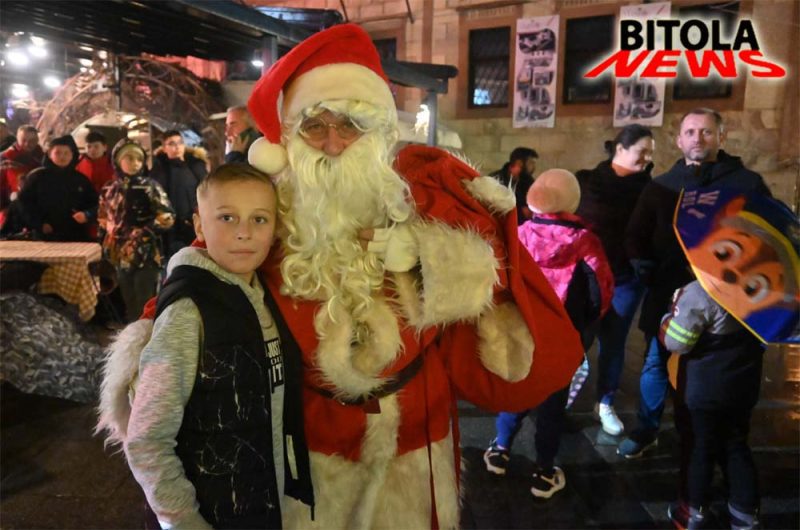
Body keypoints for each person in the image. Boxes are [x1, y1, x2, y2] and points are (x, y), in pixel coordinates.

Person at [99, 24, 582, 529]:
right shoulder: (269, 207)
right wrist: (153, 351)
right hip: (309, 438)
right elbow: (202, 267)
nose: (332, 143)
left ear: (376, 131)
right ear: (291, 138)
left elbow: (495, 275)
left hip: (416, 432)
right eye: (314, 126)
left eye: (350, 124)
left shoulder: (420, 197)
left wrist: (424, 256)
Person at [123, 163, 308, 529]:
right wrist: (183, 521)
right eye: (227, 217)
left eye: (259, 219)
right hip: (208, 515)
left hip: (262, 510)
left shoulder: (266, 298)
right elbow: (147, 438)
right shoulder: (188, 312)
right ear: (198, 225)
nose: (244, 232)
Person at [618, 108, 771, 459]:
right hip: (667, 291)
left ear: (721, 137)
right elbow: (635, 234)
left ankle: (710, 436)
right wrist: (644, 266)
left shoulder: (746, 184)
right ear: (679, 140)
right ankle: (647, 428)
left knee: (720, 369)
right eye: (690, 132)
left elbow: (765, 234)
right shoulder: (661, 186)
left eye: (705, 132)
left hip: (729, 297)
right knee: (655, 363)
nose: (697, 139)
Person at [484, 169, 614, 499]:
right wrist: (585, 325)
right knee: (553, 403)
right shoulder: (585, 241)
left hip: (523, 330)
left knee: (519, 388)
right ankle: (543, 472)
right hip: (562, 337)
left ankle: (500, 451)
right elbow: (601, 290)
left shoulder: (520, 234)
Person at [661, 280, 764, 530]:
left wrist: (668, 316)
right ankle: (745, 515)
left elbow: (677, 342)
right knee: (736, 445)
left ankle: (694, 512)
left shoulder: (700, 292)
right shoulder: (763, 289)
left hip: (704, 391)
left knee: (700, 449)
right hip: (743, 387)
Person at [575, 124, 654, 435]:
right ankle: (559, 398)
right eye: (642, 151)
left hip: (625, 279)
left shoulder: (649, 189)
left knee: (614, 342)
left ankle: (605, 403)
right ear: (620, 149)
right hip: (586, 278)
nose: (647, 158)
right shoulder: (587, 182)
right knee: (577, 340)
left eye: (650, 153)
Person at [98, 139, 174, 322]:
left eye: (139, 159)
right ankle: (131, 335)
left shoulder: (151, 187)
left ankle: (148, 335)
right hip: (119, 255)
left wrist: (144, 232)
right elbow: (103, 217)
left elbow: (167, 216)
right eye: (129, 158)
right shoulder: (110, 189)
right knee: (126, 300)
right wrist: (108, 238)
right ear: (118, 161)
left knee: (145, 300)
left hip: (146, 254)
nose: (135, 163)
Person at [17, 134, 98, 242]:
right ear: (50, 154)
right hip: (44, 235)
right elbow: (24, 203)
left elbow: (95, 204)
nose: (62, 157)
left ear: (73, 155)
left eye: (66, 153)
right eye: (58, 153)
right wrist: (39, 224)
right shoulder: (37, 177)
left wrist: (86, 215)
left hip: (76, 235)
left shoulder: (81, 179)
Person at [150, 130, 208, 260]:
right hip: (172, 231)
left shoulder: (196, 166)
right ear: (164, 148)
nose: (177, 147)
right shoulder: (159, 170)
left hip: (196, 225)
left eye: (180, 143)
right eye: (171, 144)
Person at [0, 125, 43, 216]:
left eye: (32, 141)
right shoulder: (6, 157)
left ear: (37, 140)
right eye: (23, 140)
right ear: (17, 139)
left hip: (36, 204)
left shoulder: (41, 155)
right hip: (12, 207)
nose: (27, 144)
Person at [490, 146, 538, 224]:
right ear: (519, 163)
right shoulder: (495, 179)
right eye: (531, 163)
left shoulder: (529, 181)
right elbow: (493, 207)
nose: (534, 167)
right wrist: (520, 212)